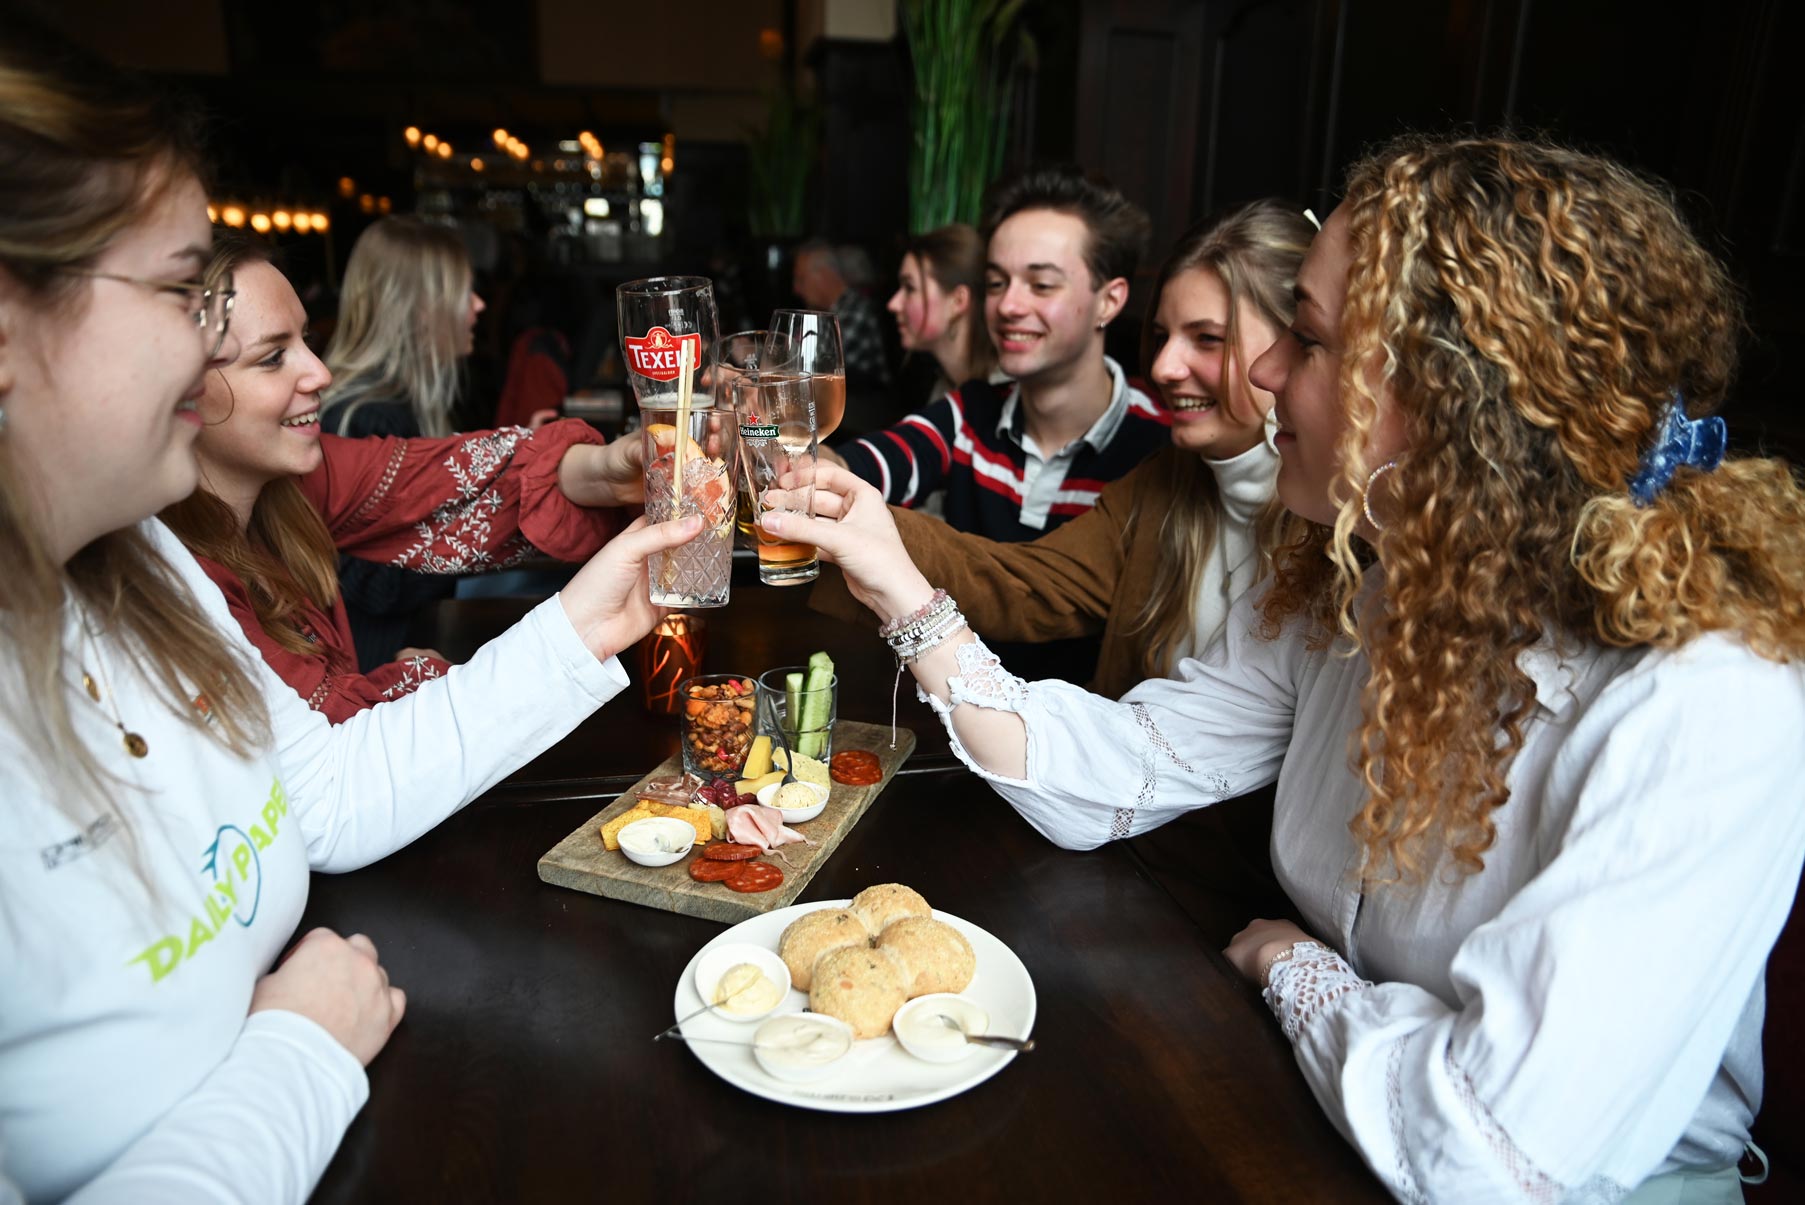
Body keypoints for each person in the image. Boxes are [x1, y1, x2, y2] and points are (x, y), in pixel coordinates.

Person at [767, 134, 1805, 1200]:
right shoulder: (1355, 577)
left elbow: (1484, 1153)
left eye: (1302, 338)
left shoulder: (1706, 694)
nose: (1262, 372)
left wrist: (1290, 965)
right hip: (1332, 1112)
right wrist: (898, 586)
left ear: (1452, 398)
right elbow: (1106, 774)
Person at [0, 28, 699, 1200]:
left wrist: (583, 621)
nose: (203, 335)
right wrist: (296, 1052)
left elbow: (319, 792)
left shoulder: (129, 570)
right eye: (183, 291)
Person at [818, 199, 1313, 701]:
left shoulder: (1167, 440)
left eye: (1207, 338)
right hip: (1049, 736)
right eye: (996, 282)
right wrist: (811, 478)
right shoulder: (1165, 476)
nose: (1165, 366)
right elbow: (1021, 583)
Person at [161, 234, 644, 722]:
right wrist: (415, 682)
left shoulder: (293, 484)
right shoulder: (181, 581)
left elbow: (456, 477)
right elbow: (321, 756)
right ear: (179, 388)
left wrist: (607, 469)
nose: (320, 374)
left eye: (304, 342)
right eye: (271, 358)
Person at [827, 165, 1169, 543]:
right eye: (996, 283)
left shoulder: (1160, 447)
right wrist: (799, 461)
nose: (1008, 305)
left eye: (1041, 285)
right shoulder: (969, 416)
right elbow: (860, 468)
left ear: (1109, 301)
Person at [319, 217, 487, 669]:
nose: (479, 305)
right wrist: (482, 517)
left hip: (406, 647)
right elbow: (376, 585)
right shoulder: (367, 418)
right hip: (373, 669)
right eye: (464, 293)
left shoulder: (397, 407)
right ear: (421, 310)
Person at [885, 223, 999, 407]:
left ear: (957, 302)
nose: (893, 304)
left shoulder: (1003, 395)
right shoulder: (945, 389)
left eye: (910, 288)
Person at [791, 238, 891, 390]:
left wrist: (767, 355)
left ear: (824, 276)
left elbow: (812, 370)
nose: (796, 289)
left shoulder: (856, 312)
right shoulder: (827, 312)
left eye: (801, 279)